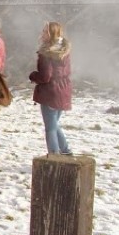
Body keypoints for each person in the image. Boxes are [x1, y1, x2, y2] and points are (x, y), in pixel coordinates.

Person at [29, 21, 73, 155]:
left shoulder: (46, 53)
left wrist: (33, 76)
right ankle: (65, 150)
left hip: (50, 92)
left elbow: (45, 76)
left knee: (50, 128)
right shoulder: (64, 50)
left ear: (50, 34)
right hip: (64, 89)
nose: (42, 34)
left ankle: (54, 154)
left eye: (44, 31)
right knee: (53, 124)